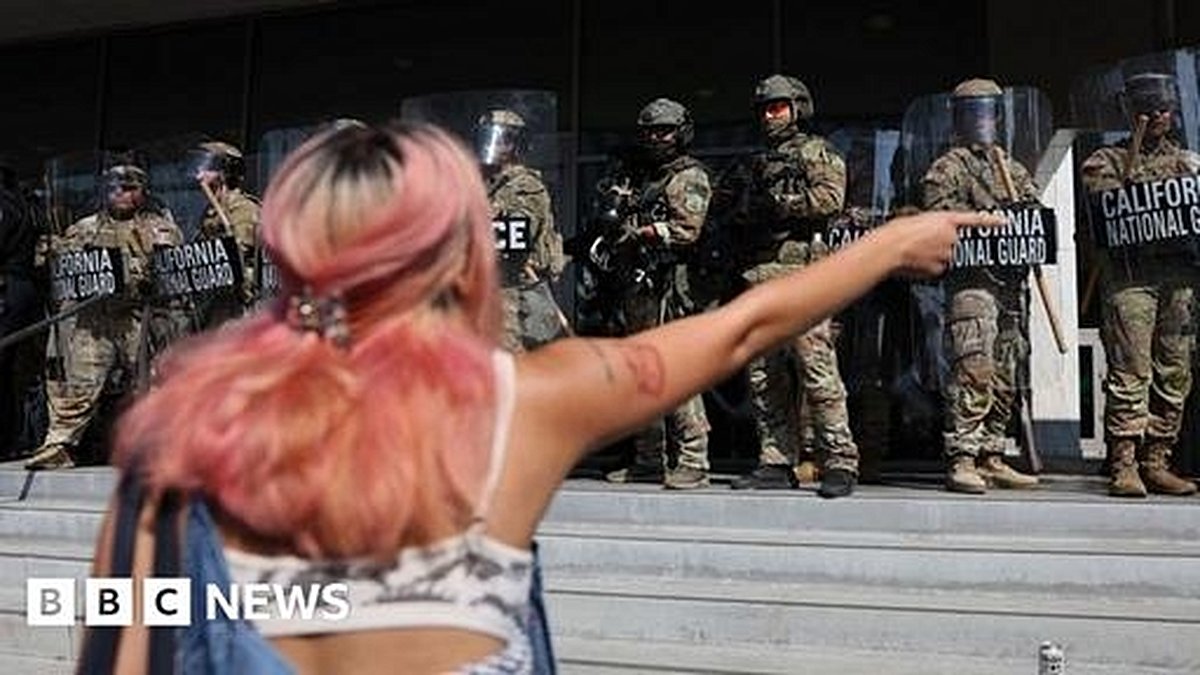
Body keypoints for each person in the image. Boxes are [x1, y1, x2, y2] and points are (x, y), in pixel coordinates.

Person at [88, 122, 988, 674]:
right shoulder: (519, 406)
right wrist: (890, 245)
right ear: (455, 253)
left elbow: (118, 646)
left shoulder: (177, 445)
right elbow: (744, 328)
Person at [727, 74, 860, 498]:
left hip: (804, 278)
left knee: (817, 370)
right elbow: (728, 209)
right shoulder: (753, 163)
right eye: (765, 109)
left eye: (778, 107)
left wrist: (780, 204)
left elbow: (830, 199)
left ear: (798, 109)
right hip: (759, 278)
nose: (770, 116)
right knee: (763, 376)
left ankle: (839, 460)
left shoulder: (816, 152)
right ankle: (776, 459)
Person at [1081, 72, 1200, 497]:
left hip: (1179, 279)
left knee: (1175, 369)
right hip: (1131, 278)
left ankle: (1157, 459)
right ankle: (1124, 462)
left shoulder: (1188, 162)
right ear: (1133, 112)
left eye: (1166, 108)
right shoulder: (1106, 161)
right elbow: (1103, 206)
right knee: (1131, 368)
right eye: (1150, 108)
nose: (1159, 115)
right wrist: (1131, 177)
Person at [922, 78, 1041, 494]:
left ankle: (992, 454)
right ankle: (963, 456)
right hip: (971, 284)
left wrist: (1025, 215)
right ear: (960, 120)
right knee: (974, 367)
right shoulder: (948, 168)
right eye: (973, 113)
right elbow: (938, 214)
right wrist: (989, 214)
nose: (982, 121)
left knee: (1009, 369)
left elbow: (1033, 213)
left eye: (988, 112)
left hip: (1009, 283)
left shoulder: (1012, 168)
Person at [26, 160, 182, 470]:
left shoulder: (161, 229)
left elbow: (176, 274)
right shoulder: (84, 228)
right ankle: (60, 444)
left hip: (140, 317)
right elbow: (63, 271)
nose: (121, 193)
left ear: (143, 191)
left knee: (150, 384)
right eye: (114, 188)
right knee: (80, 382)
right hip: (95, 320)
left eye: (130, 187)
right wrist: (51, 255)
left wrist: (152, 277)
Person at [598, 97, 714, 490]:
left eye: (664, 131)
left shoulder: (688, 176)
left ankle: (694, 459)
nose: (655, 138)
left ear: (681, 134)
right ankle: (648, 459)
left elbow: (689, 230)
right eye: (649, 132)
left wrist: (646, 232)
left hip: (672, 287)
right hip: (639, 287)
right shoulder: (639, 177)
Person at [476, 108, 566, 352]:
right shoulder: (485, 185)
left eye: (503, 138)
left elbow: (516, 238)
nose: (493, 144)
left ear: (517, 144)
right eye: (487, 136)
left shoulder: (525, 186)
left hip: (518, 294)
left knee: (512, 363)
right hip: (488, 291)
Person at [194, 141, 262, 329]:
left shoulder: (243, 209)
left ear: (225, 172)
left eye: (207, 168)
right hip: (215, 305)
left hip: (238, 309)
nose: (200, 175)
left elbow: (237, 258)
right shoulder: (211, 212)